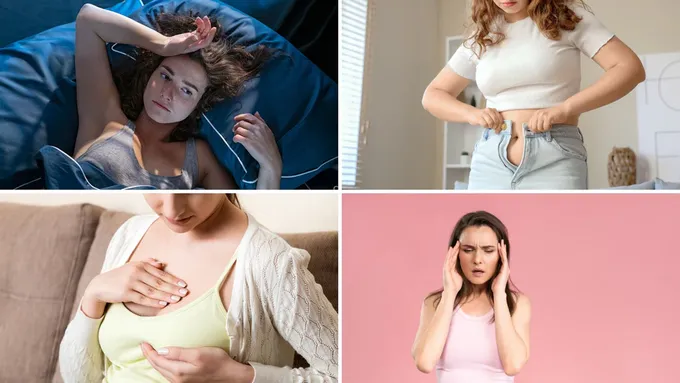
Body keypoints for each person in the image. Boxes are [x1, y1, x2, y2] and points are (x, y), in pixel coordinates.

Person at [58, 194, 338, 382]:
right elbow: (77, 377)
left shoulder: (271, 262)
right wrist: (93, 295)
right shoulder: (130, 234)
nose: (171, 209)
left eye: (191, 189)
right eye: (157, 187)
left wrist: (239, 376)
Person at [422, 0, 646, 190]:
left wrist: (565, 109)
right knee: (488, 238)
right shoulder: (482, 34)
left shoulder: (566, 18)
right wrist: (473, 114)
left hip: (556, 158)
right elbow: (433, 95)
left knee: (558, 239)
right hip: (489, 160)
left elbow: (629, 68)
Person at [73, 4, 282, 189]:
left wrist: (272, 166)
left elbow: (243, 211)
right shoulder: (106, 118)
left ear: (200, 103)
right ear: (150, 74)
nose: (167, 93)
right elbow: (88, 19)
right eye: (165, 76)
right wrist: (163, 45)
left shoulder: (198, 159)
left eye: (187, 90)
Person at [411, 211, 531, 382]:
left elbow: (513, 365)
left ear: (501, 255)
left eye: (488, 250)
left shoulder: (518, 304)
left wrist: (499, 295)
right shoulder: (435, 303)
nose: (477, 259)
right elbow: (424, 362)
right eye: (468, 250)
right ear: (455, 253)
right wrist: (449, 293)